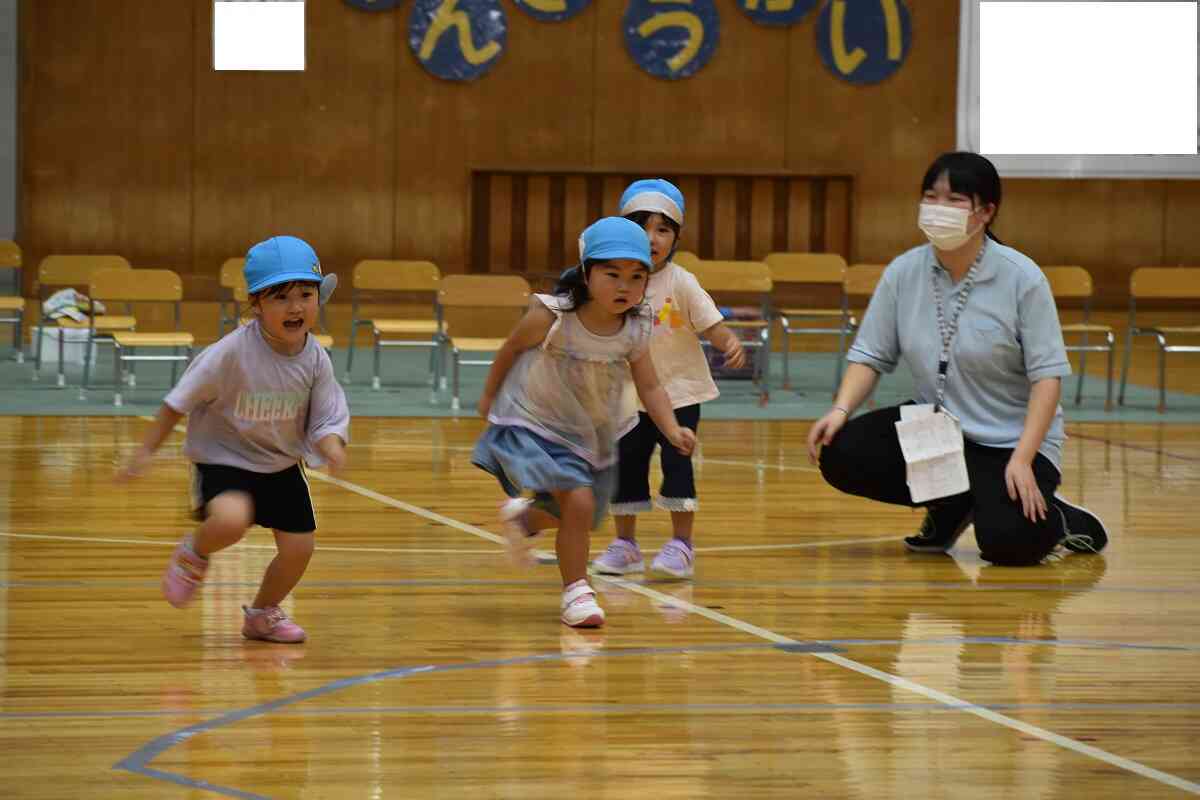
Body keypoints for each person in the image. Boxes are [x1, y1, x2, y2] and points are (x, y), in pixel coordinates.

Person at [806, 152, 1108, 566]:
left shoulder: (1023, 278)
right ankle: (952, 504)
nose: (938, 209)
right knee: (841, 452)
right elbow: (870, 353)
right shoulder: (903, 272)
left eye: (954, 200)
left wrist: (1023, 458)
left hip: (1011, 442)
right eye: (931, 197)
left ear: (985, 211)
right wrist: (840, 409)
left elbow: (1047, 378)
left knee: (1009, 544)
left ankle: (1062, 519)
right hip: (940, 430)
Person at [118, 235, 349, 642]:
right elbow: (177, 402)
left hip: (280, 463)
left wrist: (331, 441)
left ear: (318, 299)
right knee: (230, 521)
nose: (295, 306)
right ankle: (195, 550)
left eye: (305, 294)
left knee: (300, 549)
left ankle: (262, 614)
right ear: (256, 304)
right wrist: (144, 451)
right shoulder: (229, 354)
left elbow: (327, 412)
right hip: (224, 458)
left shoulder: (316, 358)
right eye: (281, 297)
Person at [472, 216, 696, 628]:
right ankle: (576, 591)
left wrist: (671, 428)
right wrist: (488, 396)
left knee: (581, 512)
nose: (624, 286)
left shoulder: (635, 326)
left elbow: (650, 386)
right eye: (611, 274)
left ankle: (524, 520)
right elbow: (510, 349)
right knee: (576, 502)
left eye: (636, 276)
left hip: (590, 433)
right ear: (586, 272)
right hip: (538, 424)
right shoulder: (554, 316)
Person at [590, 178, 745, 579]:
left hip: (678, 394)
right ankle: (626, 545)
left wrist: (727, 341)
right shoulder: (611, 279)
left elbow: (711, 323)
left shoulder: (681, 281)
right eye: (642, 226)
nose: (652, 237)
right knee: (627, 466)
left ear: (675, 237)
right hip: (625, 396)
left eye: (663, 229)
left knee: (678, 464)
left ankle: (681, 546)